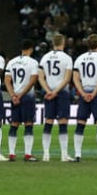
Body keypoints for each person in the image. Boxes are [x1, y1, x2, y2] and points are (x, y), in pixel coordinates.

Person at [72, 33, 97, 162]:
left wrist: (82, 93)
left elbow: (75, 78)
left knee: (81, 123)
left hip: (84, 92)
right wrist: (94, 92)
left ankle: (77, 155)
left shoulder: (79, 58)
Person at [38, 33, 75, 162]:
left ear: (53, 43)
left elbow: (40, 77)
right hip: (62, 92)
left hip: (48, 92)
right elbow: (67, 78)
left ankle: (46, 154)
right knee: (63, 122)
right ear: (63, 43)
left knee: (48, 121)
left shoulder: (44, 58)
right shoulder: (67, 58)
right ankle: (64, 155)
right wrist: (57, 91)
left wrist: (49, 90)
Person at [5, 39, 40, 162]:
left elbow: (7, 80)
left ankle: (11, 154)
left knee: (14, 124)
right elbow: (33, 80)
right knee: (28, 124)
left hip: (15, 96)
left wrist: (13, 95)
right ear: (30, 49)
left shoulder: (12, 62)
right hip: (27, 97)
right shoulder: (33, 62)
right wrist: (21, 95)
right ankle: (27, 154)